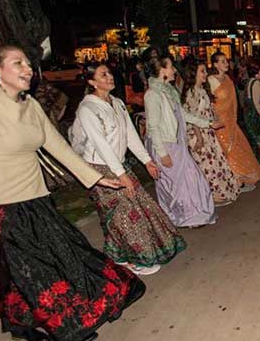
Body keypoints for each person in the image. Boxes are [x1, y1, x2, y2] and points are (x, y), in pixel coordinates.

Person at [0, 45, 145, 341]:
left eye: (29, 63)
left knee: (67, 254)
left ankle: (19, 316)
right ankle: (67, 327)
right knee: (35, 270)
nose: (28, 68)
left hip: (36, 198)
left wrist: (96, 177)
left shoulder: (29, 105)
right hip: (2, 206)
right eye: (17, 63)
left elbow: (58, 146)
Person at [70, 64, 186, 276]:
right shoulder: (88, 109)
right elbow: (101, 145)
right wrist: (121, 175)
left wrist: (146, 160)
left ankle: (118, 254)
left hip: (118, 164)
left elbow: (130, 135)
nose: (110, 77)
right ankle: (131, 258)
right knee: (126, 215)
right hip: (101, 168)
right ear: (91, 82)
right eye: (103, 75)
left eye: (110, 73)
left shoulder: (117, 103)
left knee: (142, 208)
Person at [144, 55, 216, 227]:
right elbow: (153, 127)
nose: (175, 70)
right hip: (165, 145)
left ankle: (193, 216)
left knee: (191, 180)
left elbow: (182, 115)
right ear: (162, 70)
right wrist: (162, 154)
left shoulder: (169, 91)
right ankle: (185, 217)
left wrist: (209, 123)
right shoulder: (152, 95)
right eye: (170, 67)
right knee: (177, 186)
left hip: (177, 143)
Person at [181, 62, 241, 206]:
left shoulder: (201, 90)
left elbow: (209, 110)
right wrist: (199, 138)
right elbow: (191, 116)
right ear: (193, 74)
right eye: (202, 71)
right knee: (206, 165)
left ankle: (219, 191)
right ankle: (211, 194)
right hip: (198, 134)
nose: (205, 74)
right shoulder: (191, 93)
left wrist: (217, 119)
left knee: (215, 162)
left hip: (208, 132)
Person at [208, 52, 260, 187]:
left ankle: (240, 176)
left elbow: (234, 101)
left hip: (230, 119)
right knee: (226, 151)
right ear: (215, 64)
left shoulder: (227, 78)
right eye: (222, 61)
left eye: (226, 61)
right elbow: (209, 103)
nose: (226, 64)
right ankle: (232, 179)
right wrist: (215, 119)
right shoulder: (211, 80)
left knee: (237, 148)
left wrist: (234, 117)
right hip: (219, 121)